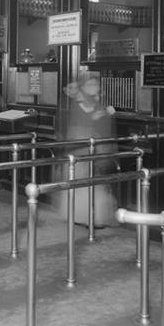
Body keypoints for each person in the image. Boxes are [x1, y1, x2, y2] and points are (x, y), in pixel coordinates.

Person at [56, 75, 119, 227]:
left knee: (95, 182)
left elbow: (105, 127)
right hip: (80, 149)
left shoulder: (99, 104)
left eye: (95, 85)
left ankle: (94, 216)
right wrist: (98, 117)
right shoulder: (75, 104)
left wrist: (106, 115)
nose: (93, 87)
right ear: (83, 87)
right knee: (81, 181)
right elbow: (72, 128)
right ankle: (80, 215)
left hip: (97, 149)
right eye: (90, 84)